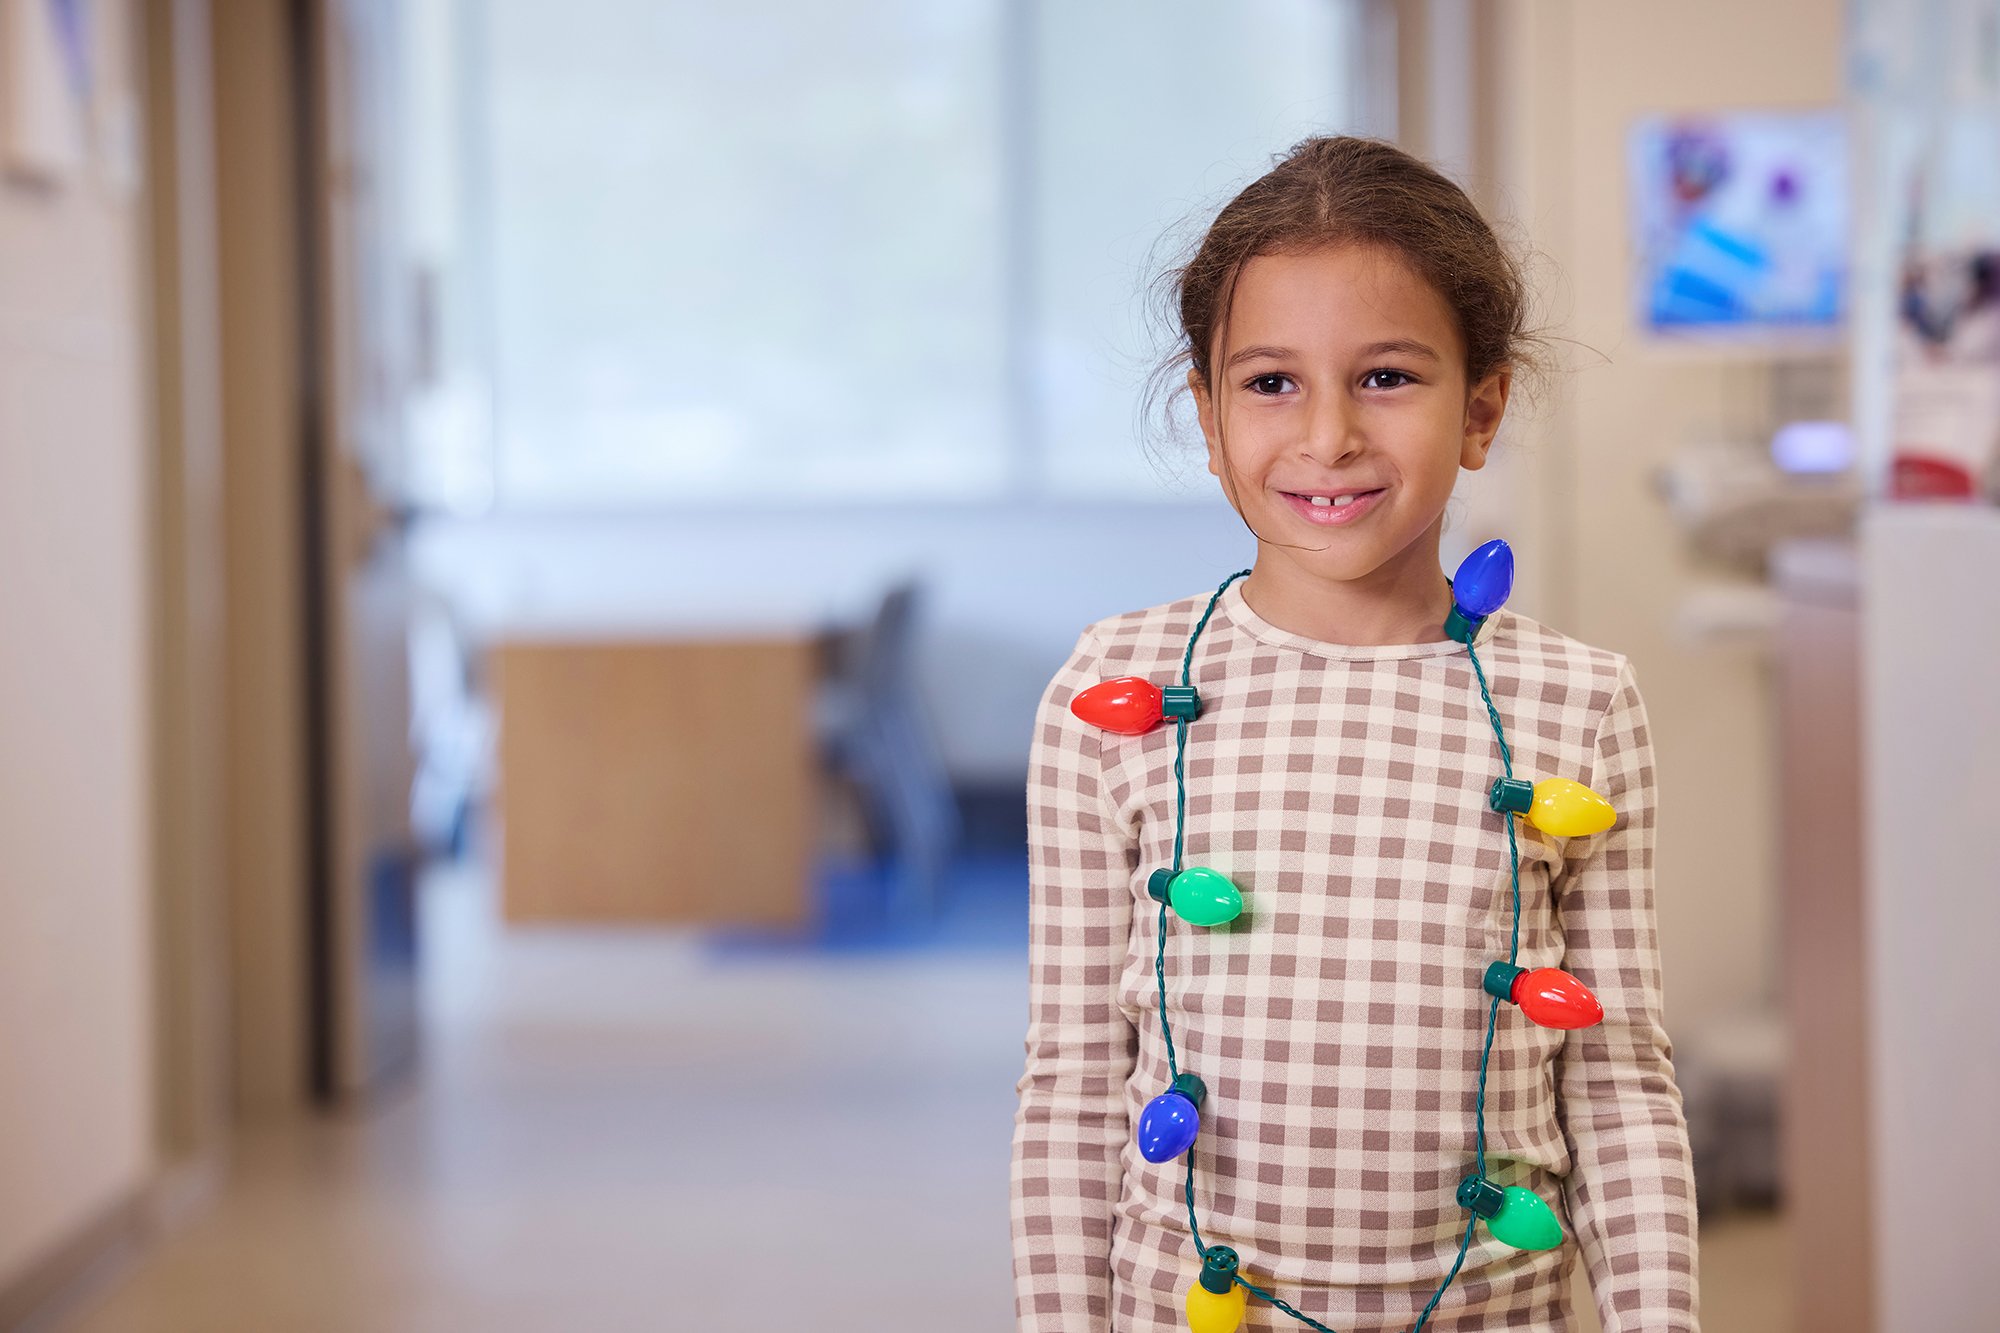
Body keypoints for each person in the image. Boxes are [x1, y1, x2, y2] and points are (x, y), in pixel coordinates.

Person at [1009, 137, 1698, 1332]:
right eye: (1270, 383)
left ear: (1480, 406)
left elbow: (1617, 1078)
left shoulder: (1579, 703)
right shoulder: (1109, 691)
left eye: (1384, 376)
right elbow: (1071, 1085)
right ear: (1208, 418)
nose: (1325, 436)